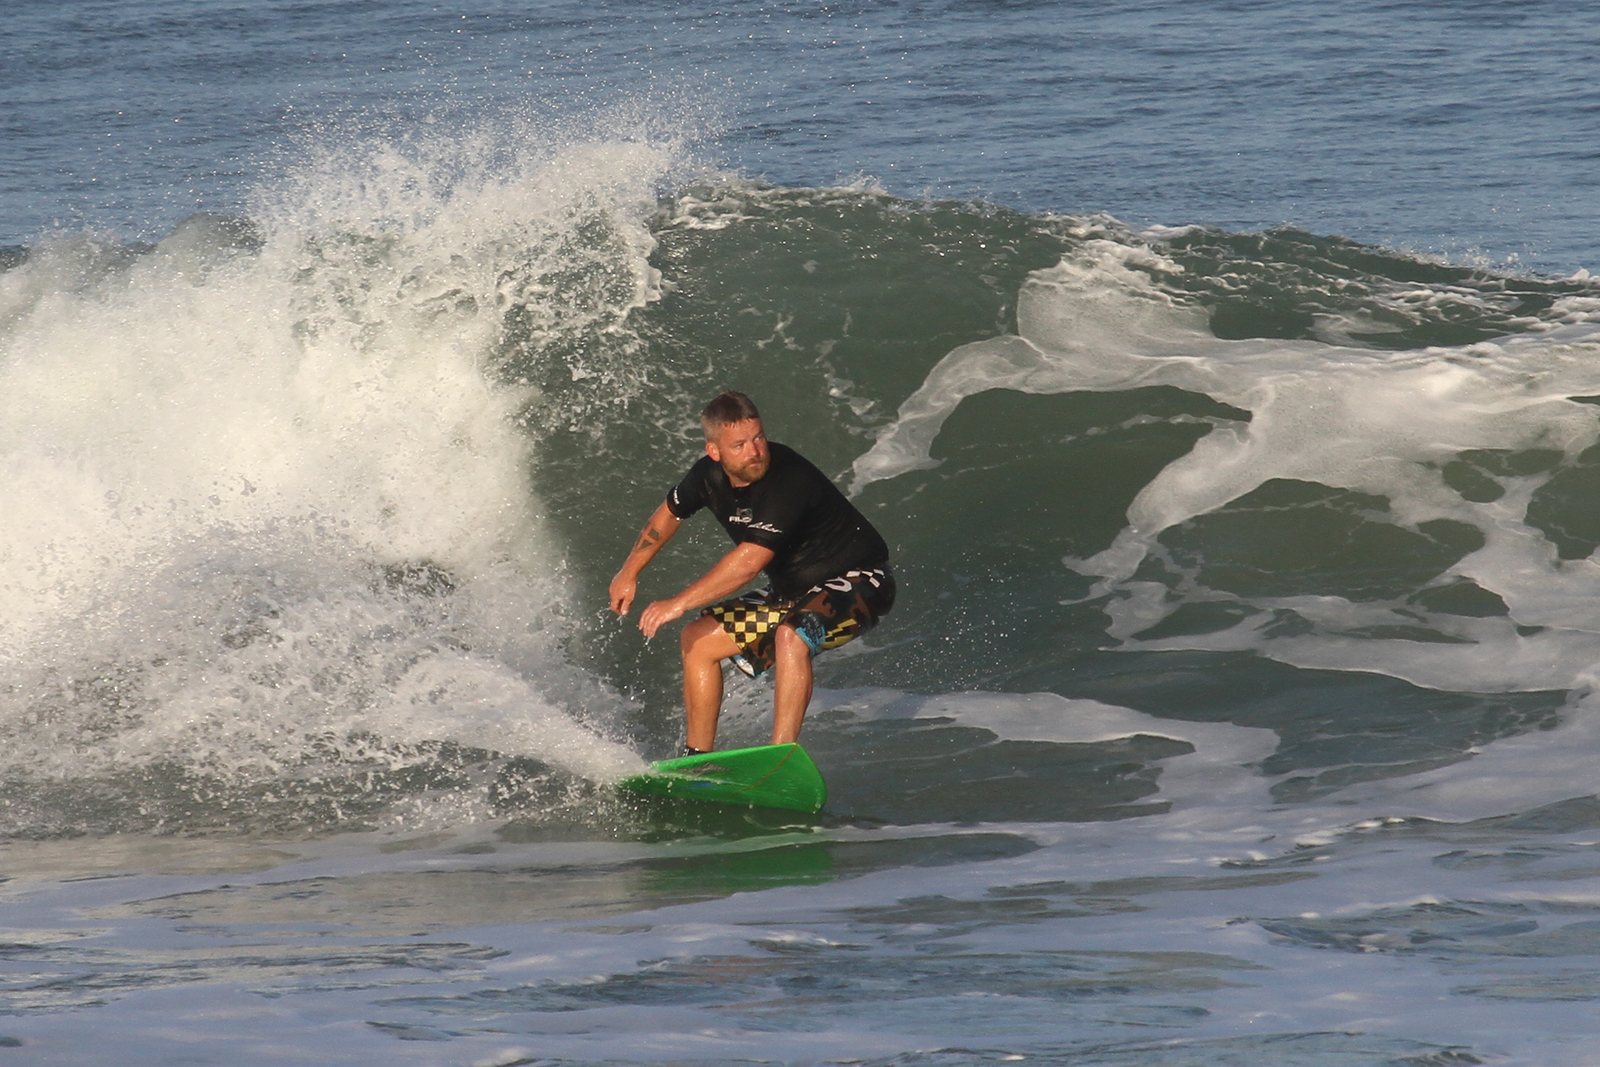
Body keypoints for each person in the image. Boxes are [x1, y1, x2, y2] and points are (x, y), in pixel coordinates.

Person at [608, 391, 894, 754]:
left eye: (758, 438)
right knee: (697, 640)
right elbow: (669, 513)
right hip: (793, 592)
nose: (755, 450)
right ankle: (697, 760)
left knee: (793, 635)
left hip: (863, 580)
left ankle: (780, 757)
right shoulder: (706, 476)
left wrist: (677, 602)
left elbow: (747, 564)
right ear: (715, 452)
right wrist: (628, 572)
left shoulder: (788, 477)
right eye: (739, 445)